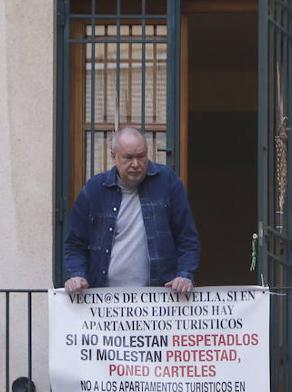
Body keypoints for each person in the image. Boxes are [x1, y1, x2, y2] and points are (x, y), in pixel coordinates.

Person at [63, 126, 199, 294]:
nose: (136, 164)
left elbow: (187, 238)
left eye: (141, 156)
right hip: (104, 301)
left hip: (160, 299)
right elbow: (75, 243)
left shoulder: (168, 183)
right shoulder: (95, 190)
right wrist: (77, 275)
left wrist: (184, 275)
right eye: (128, 157)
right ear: (113, 157)